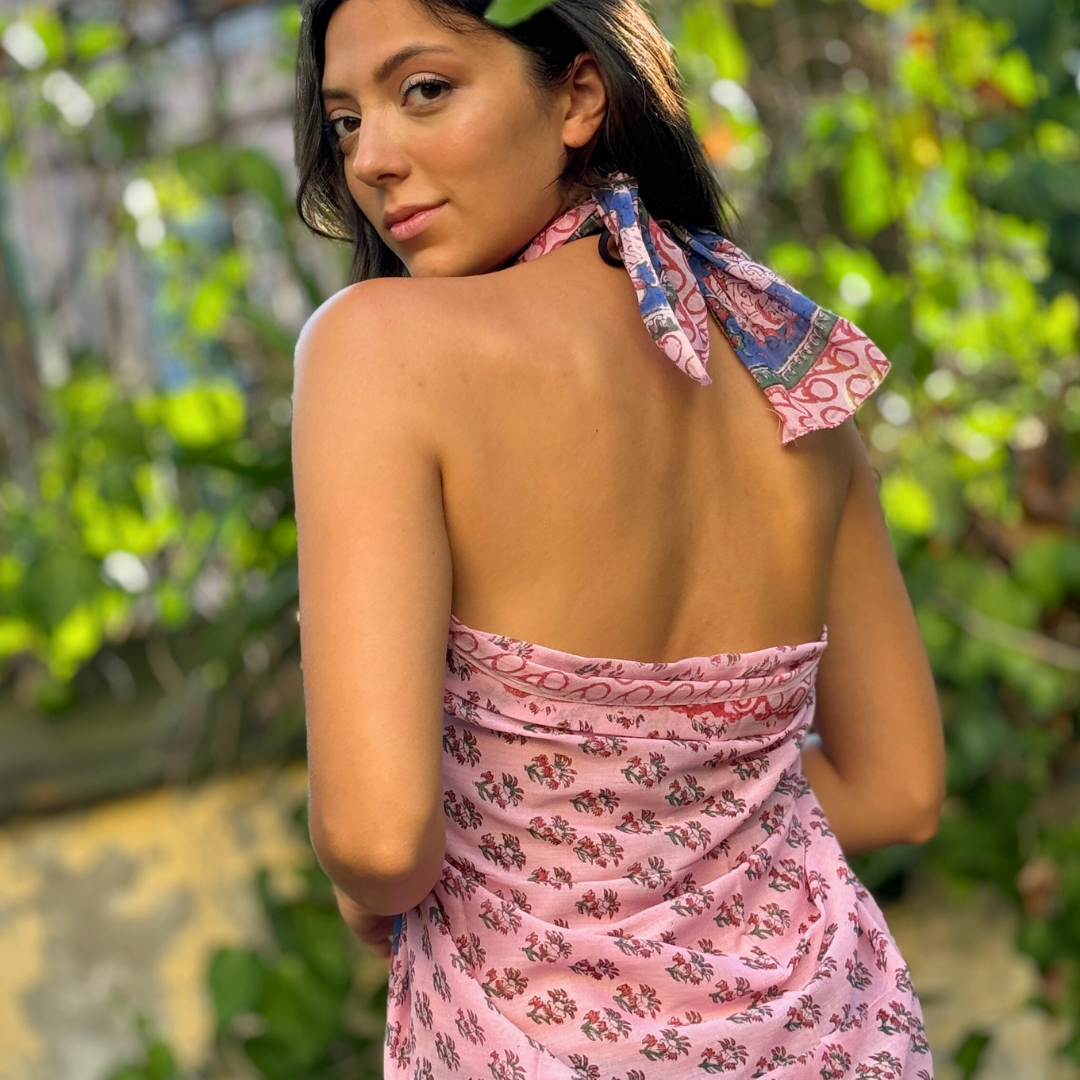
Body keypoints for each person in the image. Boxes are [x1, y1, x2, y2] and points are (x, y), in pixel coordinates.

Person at [289, 0, 946, 1074]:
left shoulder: (380, 351)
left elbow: (380, 841)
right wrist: (673, 827)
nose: (372, 159)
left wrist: (378, 887)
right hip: (838, 1034)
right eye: (346, 120)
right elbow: (899, 788)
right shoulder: (787, 369)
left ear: (580, 96)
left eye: (425, 90)